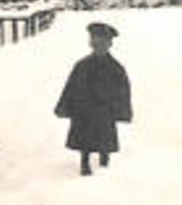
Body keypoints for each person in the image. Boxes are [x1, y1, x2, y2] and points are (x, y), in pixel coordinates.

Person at [54, 21, 133, 177]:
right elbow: (70, 87)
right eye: (96, 44)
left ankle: (105, 163)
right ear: (91, 44)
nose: (99, 48)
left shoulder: (116, 68)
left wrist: (122, 111)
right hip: (84, 110)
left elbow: (123, 91)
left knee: (105, 139)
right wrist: (65, 106)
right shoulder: (82, 66)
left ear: (109, 45)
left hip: (105, 111)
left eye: (103, 44)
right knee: (84, 139)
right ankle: (84, 164)